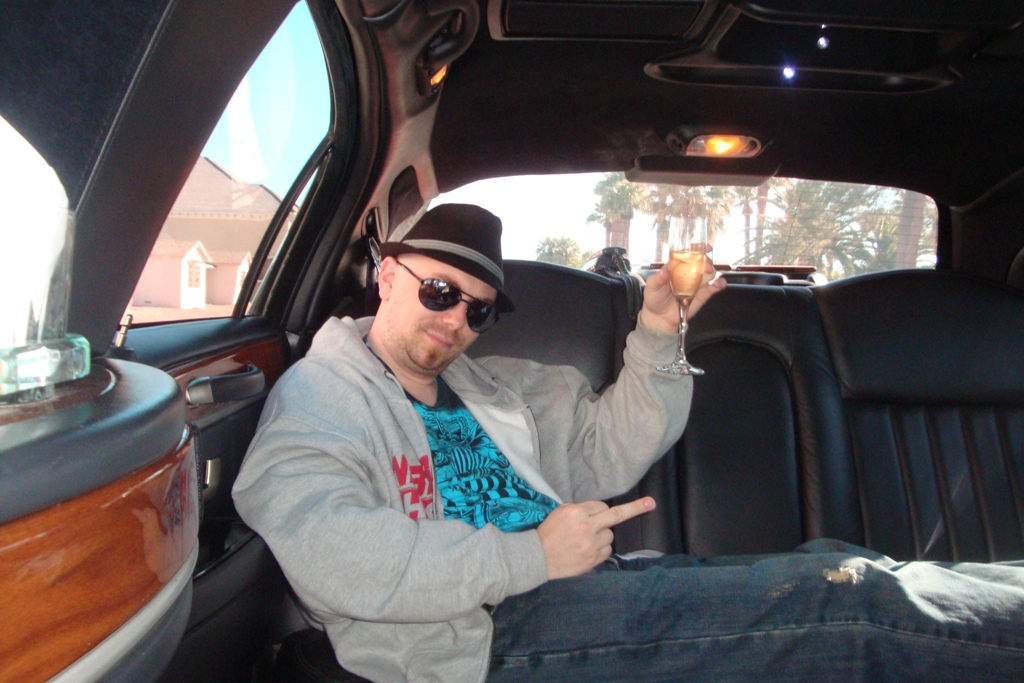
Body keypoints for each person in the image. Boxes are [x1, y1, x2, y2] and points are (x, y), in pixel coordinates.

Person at [233, 204, 1024, 683]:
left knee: (836, 563)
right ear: (386, 276)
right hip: (481, 639)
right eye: (439, 291)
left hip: (584, 589)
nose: (456, 321)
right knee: (846, 604)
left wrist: (656, 334)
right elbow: (337, 554)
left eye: (478, 310)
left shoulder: (497, 389)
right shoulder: (324, 395)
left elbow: (614, 447)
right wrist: (530, 555)